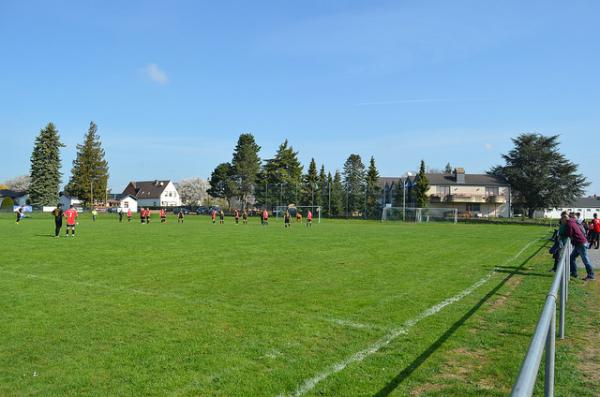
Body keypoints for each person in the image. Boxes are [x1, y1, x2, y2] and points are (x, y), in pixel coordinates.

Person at [565, 212, 595, 280]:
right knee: (572, 258)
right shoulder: (574, 223)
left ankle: (591, 275)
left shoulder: (570, 223)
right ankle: (574, 273)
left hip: (581, 244)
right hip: (579, 243)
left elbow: (569, 233)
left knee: (585, 260)